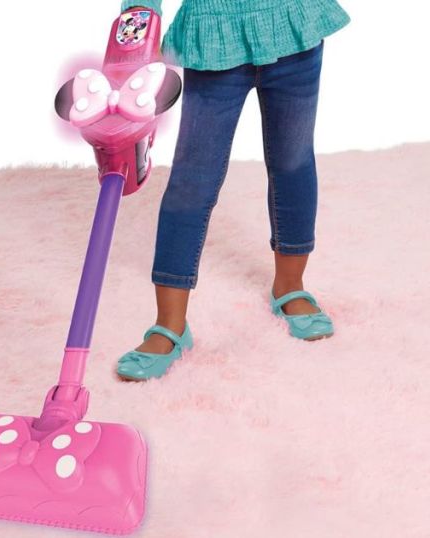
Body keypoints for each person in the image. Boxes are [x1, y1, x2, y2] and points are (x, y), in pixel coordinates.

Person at [115, 0, 351, 381]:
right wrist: (133, 33)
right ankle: (170, 326)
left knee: (293, 161)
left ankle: (290, 286)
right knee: (193, 181)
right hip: (213, 36)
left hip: (291, 25)